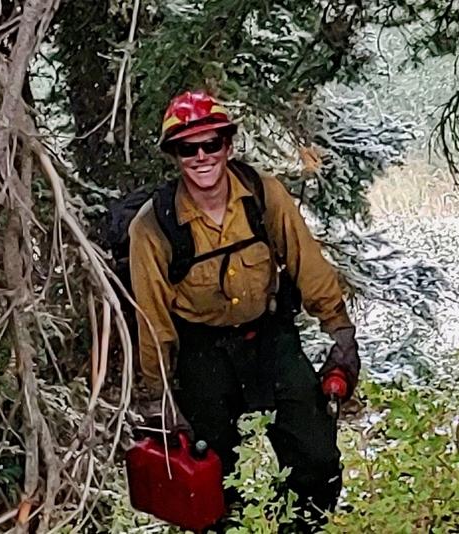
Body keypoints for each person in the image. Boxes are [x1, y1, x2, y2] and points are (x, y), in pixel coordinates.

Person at [128, 89, 360, 531]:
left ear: (228, 146)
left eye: (210, 143)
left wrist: (341, 333)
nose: (201, 157)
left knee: (317, 457)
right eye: (187, 147)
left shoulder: (262, 194)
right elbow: (153, 319)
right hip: (203, 351)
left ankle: (298, 527)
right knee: (210, 477)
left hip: (269, 336)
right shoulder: (153, 226)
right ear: (175, 156)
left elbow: (306, 261)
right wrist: (159, 395)